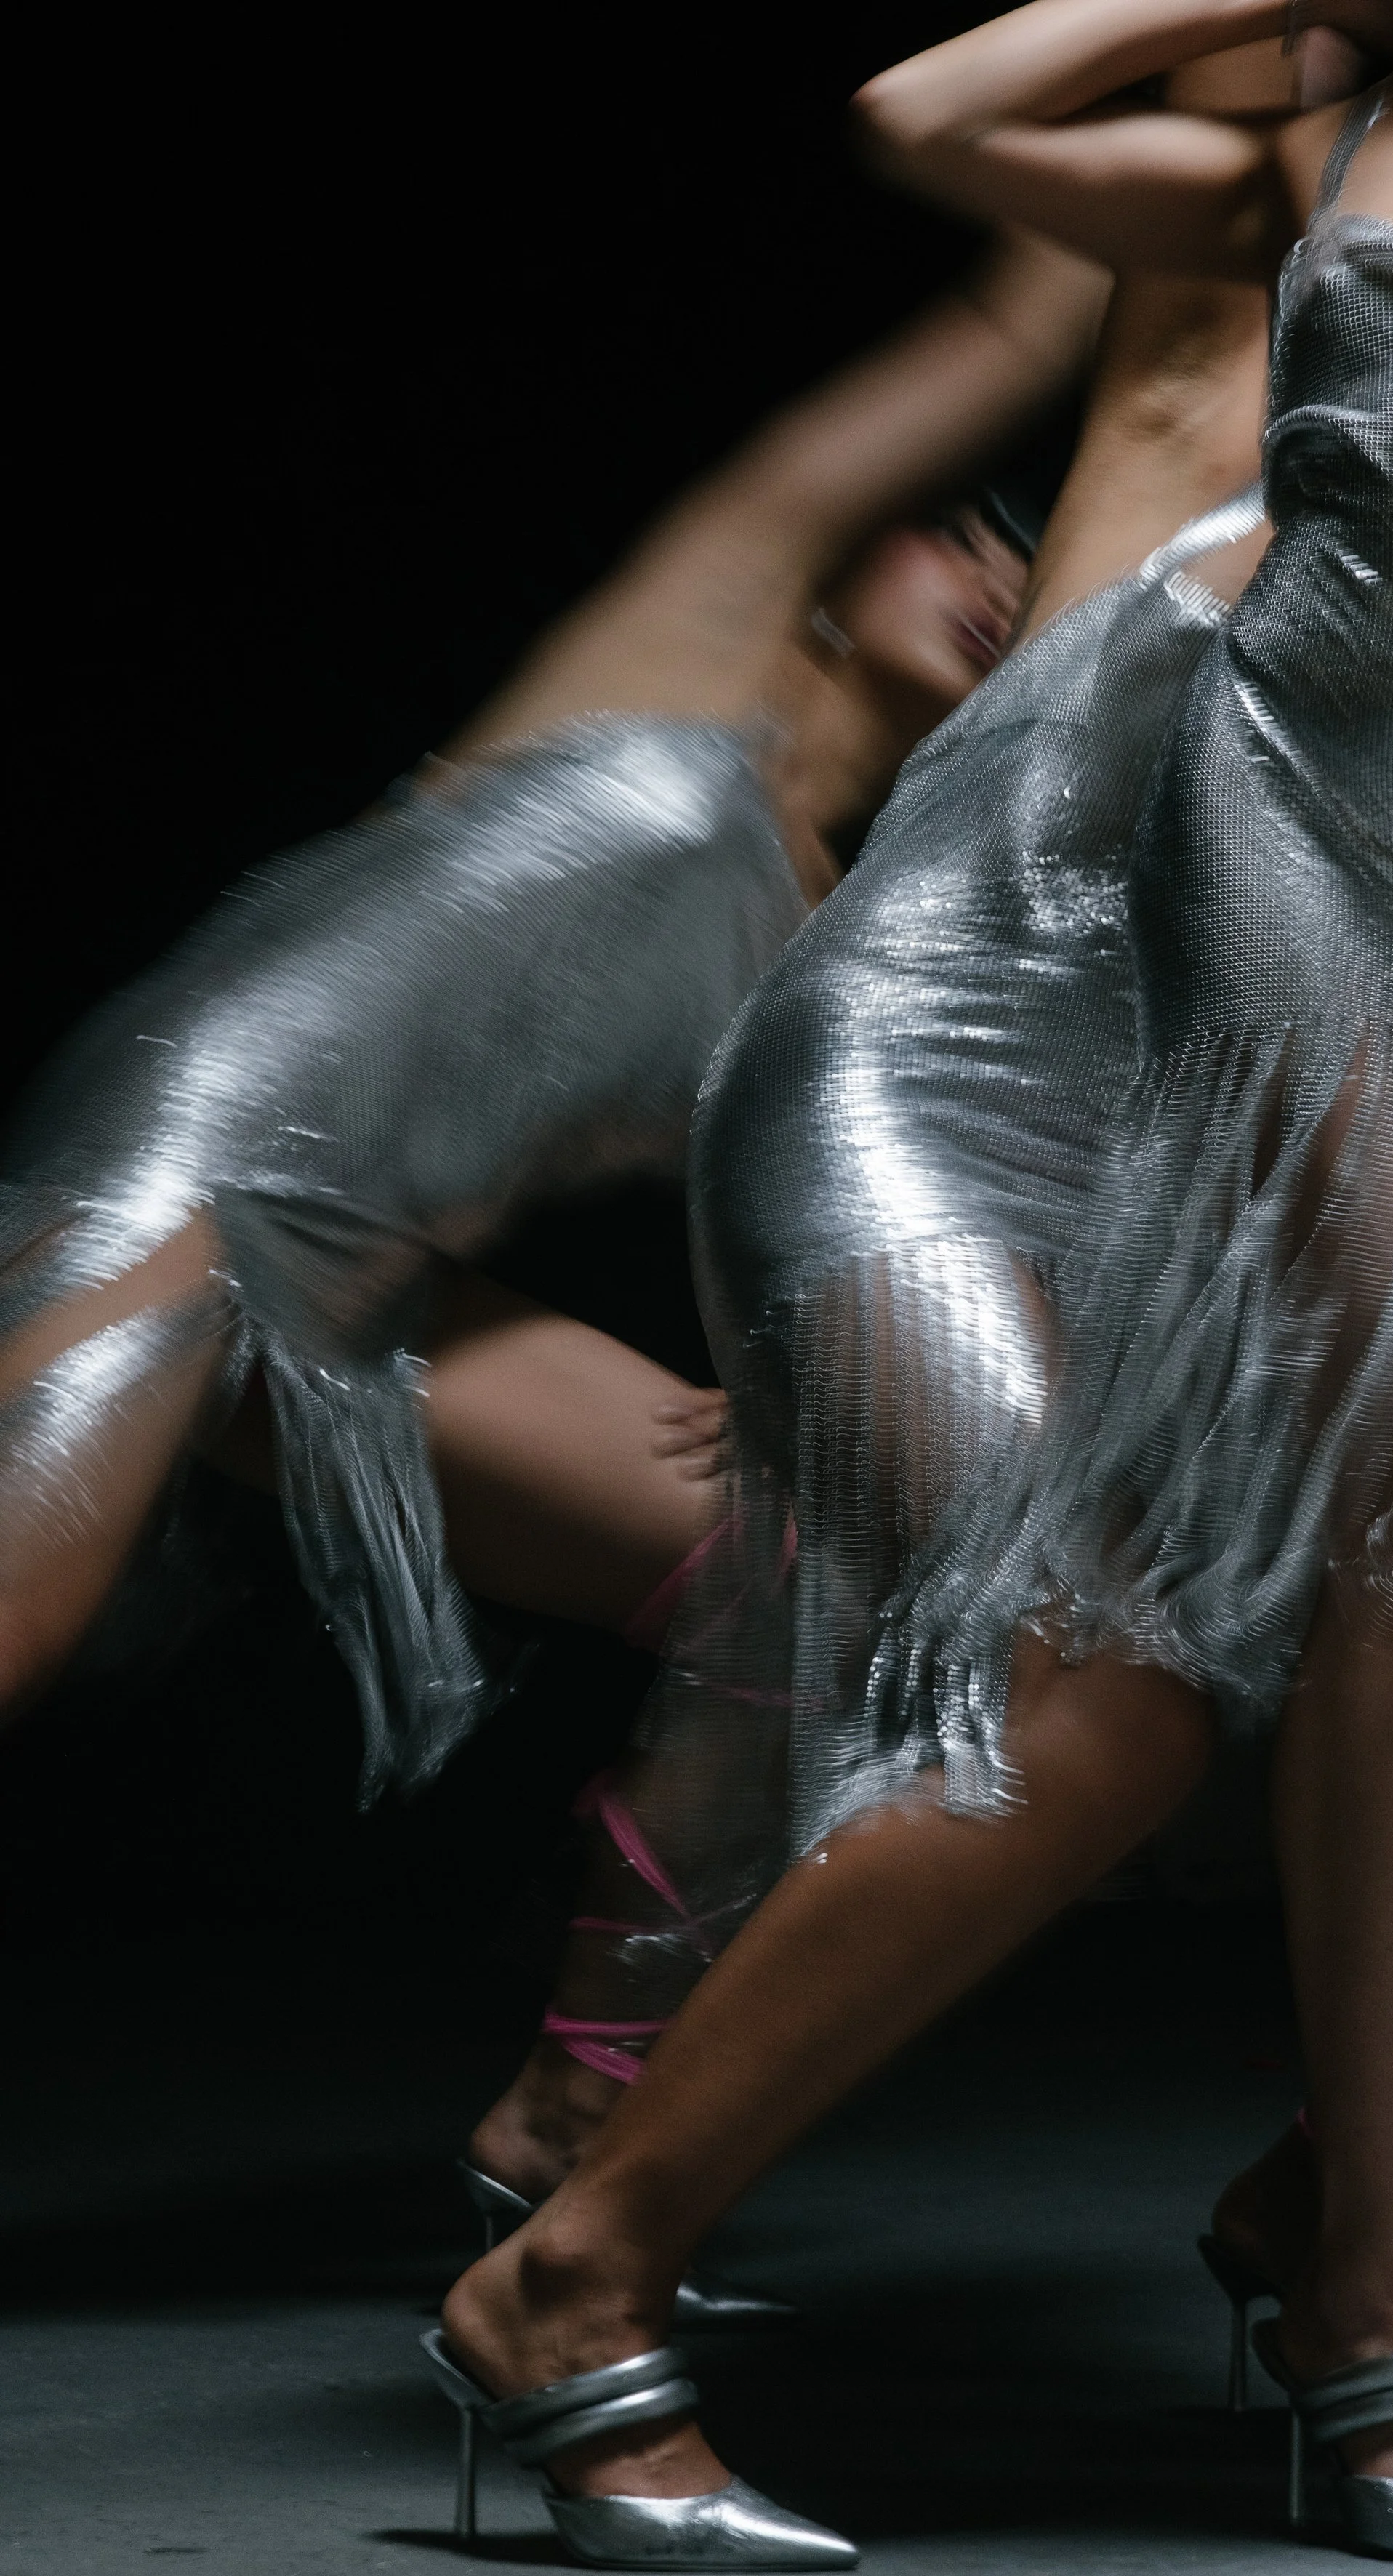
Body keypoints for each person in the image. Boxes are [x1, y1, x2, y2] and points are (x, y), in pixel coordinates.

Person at [429, 5, 1393, 2572]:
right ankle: (570, 2261)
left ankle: (1386, 2244)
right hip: (949, 1078)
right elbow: (939, 102)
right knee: (1124, 1697)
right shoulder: (1311, 169)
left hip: (1242, 1093)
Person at [0, 233, 1104, 1805]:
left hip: (355, 1284)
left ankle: (592, 2054)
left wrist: (804, 1381)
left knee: (783, 1574)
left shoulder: (833, 958)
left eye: (1032, 572)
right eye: (958, 537)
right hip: (185, 1161)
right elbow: (1012, 316)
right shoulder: (691, 645)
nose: (997, 583)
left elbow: (864, 1221)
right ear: (854, 547)